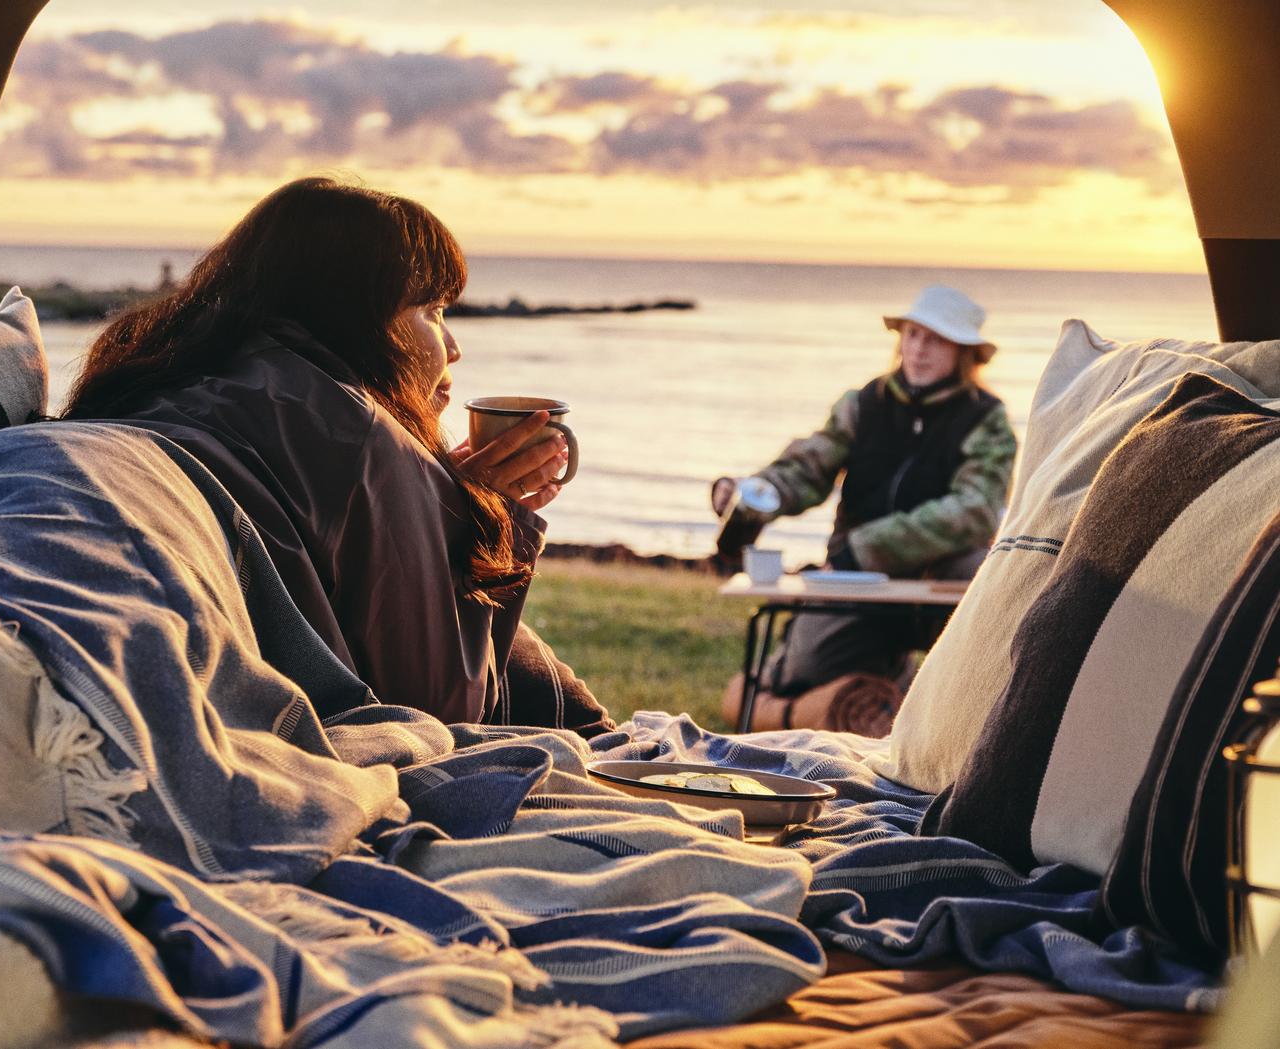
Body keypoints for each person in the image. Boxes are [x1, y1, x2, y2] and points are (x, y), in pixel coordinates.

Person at [63, 176, 613, 736]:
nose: (453, 348)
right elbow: (435, 714)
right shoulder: (355, 429)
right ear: (354, 317)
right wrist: (481, 520)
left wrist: (440, 504)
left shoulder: (161, 376)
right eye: (432, 311)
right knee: (564, 705)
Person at [712, 284, 1017, 735]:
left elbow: (974, 511)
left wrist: (870, 547)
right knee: (803, 674)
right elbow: (808, 469)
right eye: (912, 335)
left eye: (934, 339)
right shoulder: (862, 404)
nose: (918, 349)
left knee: (980, 677)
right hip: (855, 577)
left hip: (939, 579)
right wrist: (753, 493)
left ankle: (953, 718)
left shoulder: (987, 420)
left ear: (963, 352)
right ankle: (890, 677)